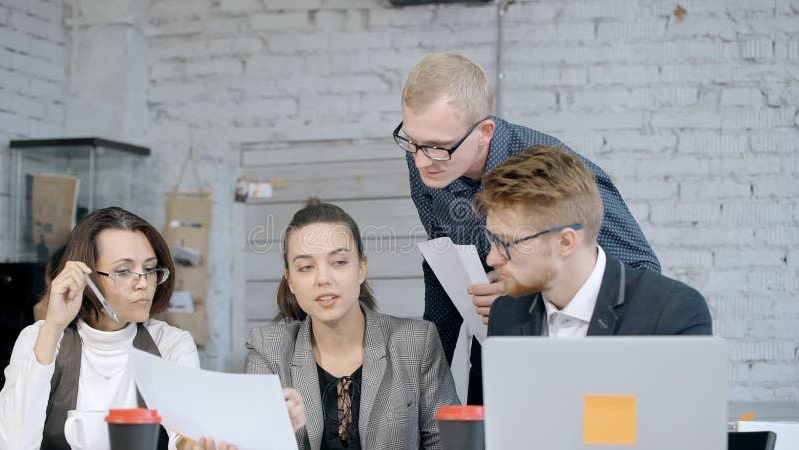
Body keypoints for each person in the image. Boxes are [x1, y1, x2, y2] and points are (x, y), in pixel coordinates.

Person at [395, 52, 661, 403]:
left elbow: (642, 273)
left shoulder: (558, 174)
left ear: (484, 132)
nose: (420, 161)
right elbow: (443, 260)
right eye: (411, 142)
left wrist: (526, 295)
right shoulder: (427, 155)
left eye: (438, 148)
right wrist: (426, 381)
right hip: (492, 347)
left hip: (570, 358)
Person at [0, 207, 233, 450]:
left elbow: (185, 436)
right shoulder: (39, 339)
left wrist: (195, 445)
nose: (143, 283)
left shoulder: (170, 344)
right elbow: (13, 443)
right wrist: (54, 326)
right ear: (86, 278)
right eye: (123, 271)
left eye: (150, 269)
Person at [246, 199, 460, 450]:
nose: (323, 278)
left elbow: (449, 444)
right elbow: (254, 442)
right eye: (306, 267)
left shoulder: (417, 342)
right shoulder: (268, 351)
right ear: (290, 281)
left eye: (339, 262)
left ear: (361, 269)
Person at [474, 145, 712, 337]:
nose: (491, 258)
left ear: (565, 242)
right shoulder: (505, 315)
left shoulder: (672, 312)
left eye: (506, 243)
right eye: (491, 239)